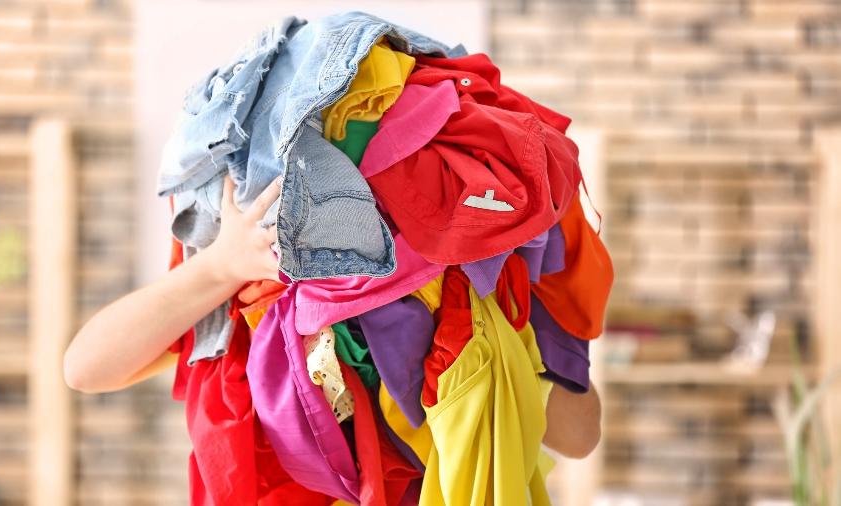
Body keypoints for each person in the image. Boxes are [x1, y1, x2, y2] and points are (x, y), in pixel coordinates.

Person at [63, 175, 602, 459]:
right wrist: (220, 268)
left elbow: (579, 435)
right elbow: (85, 367)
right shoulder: (251, 277)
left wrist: (455, 304)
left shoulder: (469, 281)